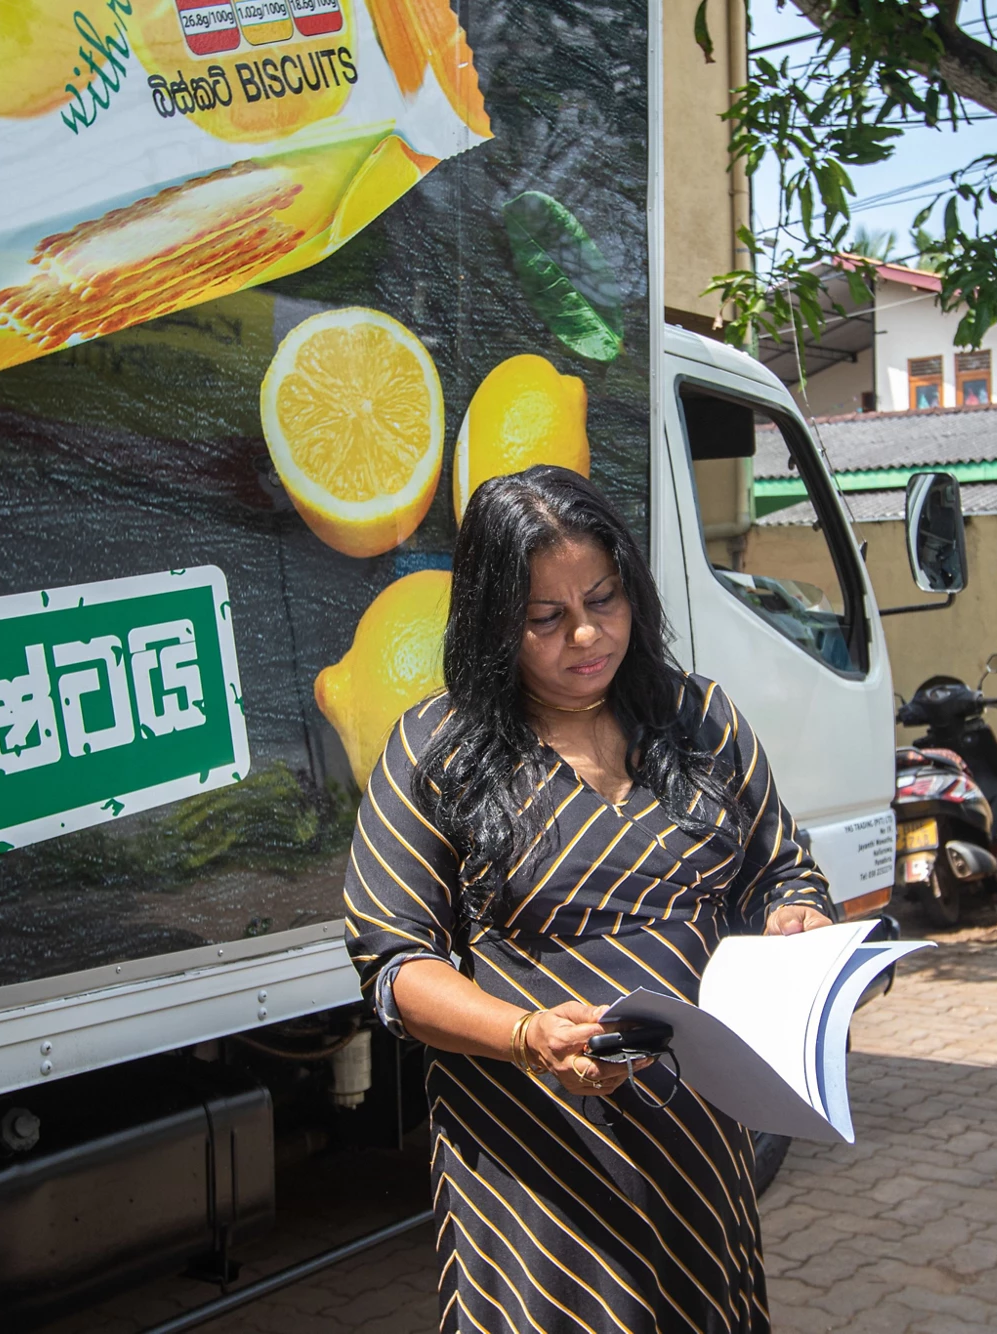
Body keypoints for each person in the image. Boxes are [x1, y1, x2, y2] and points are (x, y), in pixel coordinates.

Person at [344, 465, 835, 1334]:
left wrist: (801, 919)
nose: (585, 634)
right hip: (537, 1181)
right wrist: (526, 1036)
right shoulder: (437, 751)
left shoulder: (700, 721)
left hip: (700, 1164)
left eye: (604, 600)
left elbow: (784, 872)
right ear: (494, 623)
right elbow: (395, 966)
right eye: (545, 618)